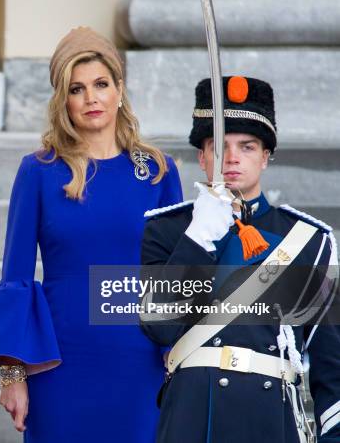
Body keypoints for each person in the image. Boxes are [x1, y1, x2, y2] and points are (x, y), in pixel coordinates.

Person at [0, 27, 183, 442]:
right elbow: (16, 276)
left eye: (101, 84)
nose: (91, 98)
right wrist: (13, 374)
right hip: (61, 363)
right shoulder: (38, 171)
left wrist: (174, 357)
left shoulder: (159, 171)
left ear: (119, 89)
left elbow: (172, 275)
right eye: (77, 89)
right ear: (63, 101)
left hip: (141, 362)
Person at [140, 76, 340, 442]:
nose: (231, 158)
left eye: (247, 147)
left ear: (266, 157)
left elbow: (332, 364)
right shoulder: (168, 232)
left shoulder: (309, 241)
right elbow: (160, 326)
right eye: (219, 147)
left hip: (270, 420)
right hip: (192, 419)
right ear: (202, 157)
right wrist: (200, 237)